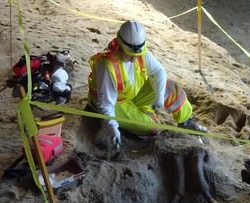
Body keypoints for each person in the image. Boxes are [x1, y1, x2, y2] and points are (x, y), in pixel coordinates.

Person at [85, 20, 207, 149]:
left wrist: (159, 97)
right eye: (130, 54)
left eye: (137, 54)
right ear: (120, 44)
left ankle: (187, 123)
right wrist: (112, 128)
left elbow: (158, 71)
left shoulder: (140, 51)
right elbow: (106, 105)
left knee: (171, 87)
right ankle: (136, 120)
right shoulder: (107, 66)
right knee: (152, 128)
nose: (134, 58)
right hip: (116, 103)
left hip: (133, 95)